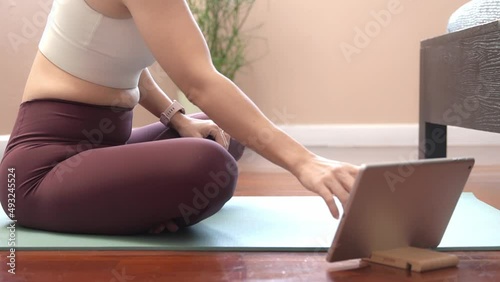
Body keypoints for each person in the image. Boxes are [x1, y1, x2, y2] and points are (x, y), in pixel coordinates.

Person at [0, 0, 359, 235]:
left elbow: (120, 60)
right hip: (37, 175)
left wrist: (178, 118)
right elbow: (200, 81)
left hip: (98, 148)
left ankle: (132, 206)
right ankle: (136, 208)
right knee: (210, 165)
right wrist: (305, 162)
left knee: (220, 134)